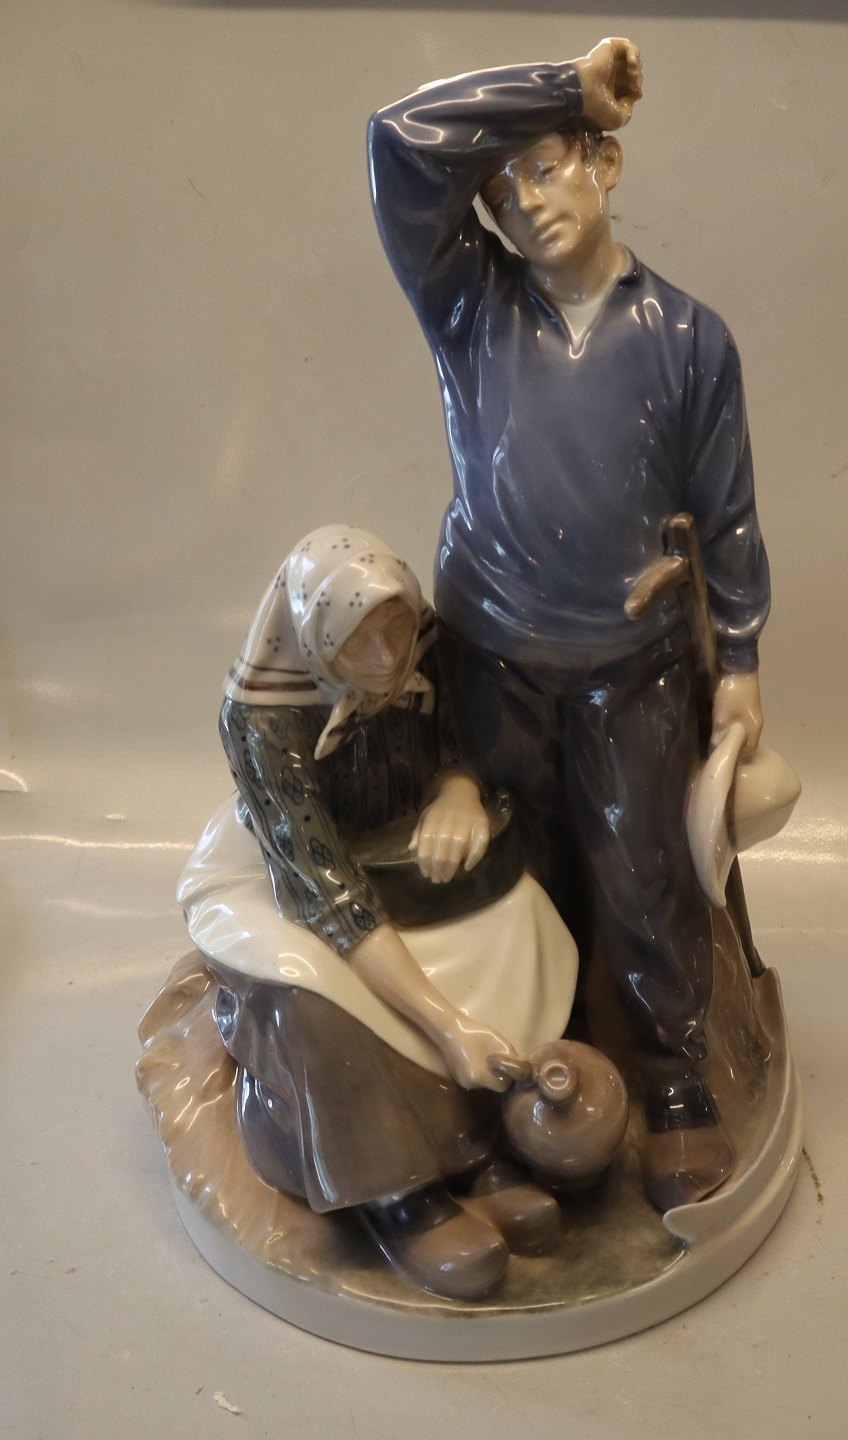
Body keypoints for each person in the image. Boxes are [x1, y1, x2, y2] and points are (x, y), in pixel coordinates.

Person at [369, 39, 771, 1210]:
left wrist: (740, 660)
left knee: (644, 872)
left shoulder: (688, 339)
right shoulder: (469, 305)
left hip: (633, 665)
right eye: (500, 193)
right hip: (492, 655)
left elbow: (727, 514)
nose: (528, 203)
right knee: (512, 873)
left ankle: (672, 1078)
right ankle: (523, 1085)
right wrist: (557, 86)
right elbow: (398, 141)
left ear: (605, 163)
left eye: (547, 167)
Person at [180, 525, 578, 1298]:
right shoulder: (261, 719)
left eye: (396, 630)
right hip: (283, 872)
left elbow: (462, 741)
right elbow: (323, 888)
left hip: (398, 858)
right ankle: (401, 1191)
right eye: (359, 641)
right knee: (313, 988)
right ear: (315, 636)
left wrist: (457, 790)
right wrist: (447, 1025)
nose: (388, 657)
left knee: (515, 919)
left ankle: (486, 1149)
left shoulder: (426, 652)